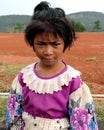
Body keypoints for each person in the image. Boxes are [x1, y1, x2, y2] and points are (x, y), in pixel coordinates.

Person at [6, 1, 98, 130]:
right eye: (41, 44)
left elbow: (83, 124)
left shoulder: (72, 82)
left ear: (65, 43)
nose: (48, 52)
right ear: (32, 43)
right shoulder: (24, 78)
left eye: (55, 44)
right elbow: (14, 115)